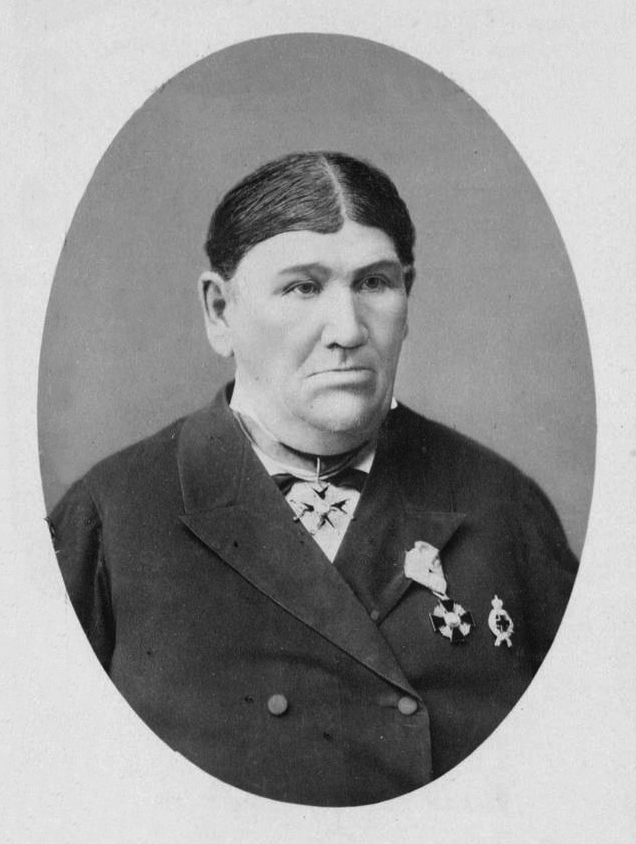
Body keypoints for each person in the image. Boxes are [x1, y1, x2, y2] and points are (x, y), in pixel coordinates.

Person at [47, 151, 578, 807]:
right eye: (302, 287)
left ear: (408, 297)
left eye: (374, 283)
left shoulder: (503, 505)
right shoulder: (110, 517)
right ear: (220, 311)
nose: (347, 331)